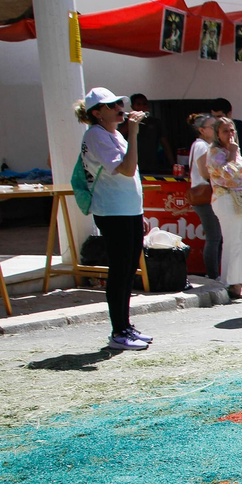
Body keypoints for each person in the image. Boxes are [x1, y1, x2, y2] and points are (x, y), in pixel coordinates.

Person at [77, 88, 151, 351]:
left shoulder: (115, 133)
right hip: (112, 211)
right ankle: (118, 331)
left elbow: (131, 177)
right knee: (119, 271)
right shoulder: (95, 135)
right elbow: (127, 168)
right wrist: (133, 132)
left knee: (129, 269)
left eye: (119, 102)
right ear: (97, 113)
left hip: (128, 211)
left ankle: (126, 326)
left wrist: (139, 213)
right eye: (111, 105)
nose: (120, 107)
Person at [206, 117, 242, 300]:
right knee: (233, 241)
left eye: (232, 130)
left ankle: (238, 281)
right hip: (225, 198)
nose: (230, 134)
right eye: (225, 131)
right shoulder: (215, 151)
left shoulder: (234, 150)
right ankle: (231, 283)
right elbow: (228, 173)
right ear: (217, 134)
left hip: (240, 198)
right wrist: (232, 153)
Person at [187, 114, 221, 281]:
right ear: (202, 130)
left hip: (207, 196)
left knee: (215, 237)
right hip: (205, 196)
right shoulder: (201, 146)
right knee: (214, 237)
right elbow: (204, 172)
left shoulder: (206, 145)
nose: (216, 130)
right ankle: (213, 276)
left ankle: (215, 274)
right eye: (212, 127)